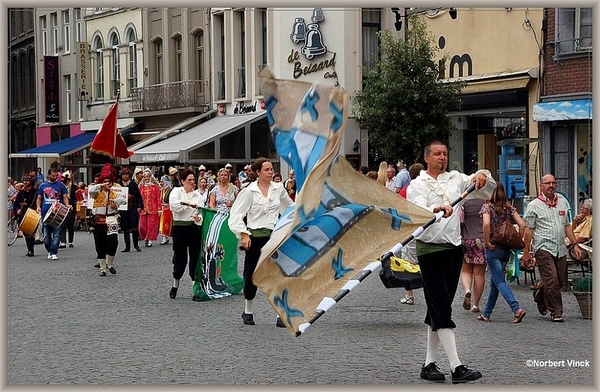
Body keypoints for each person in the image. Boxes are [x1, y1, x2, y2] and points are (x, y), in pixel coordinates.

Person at [407, 140, 495, 383]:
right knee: (442, 308)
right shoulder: (417, 185)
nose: (442, 158)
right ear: (427, 157)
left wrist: (481, 176)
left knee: (436, 307)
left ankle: (429, 364)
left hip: (453, 251)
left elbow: (487, 188)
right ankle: (457, 367)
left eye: (445, 153)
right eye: (437, 154)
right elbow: (417, 213)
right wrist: (436, 209)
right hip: (429, 251)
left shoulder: (456, 179)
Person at [228, 158, 294, 327]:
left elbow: (290, 207)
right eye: (266, 169)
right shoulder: (249, 192)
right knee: (252, 275)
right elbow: (235, 215)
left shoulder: (278, 189)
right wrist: (243, 234)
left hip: (274, 238)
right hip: (254, 238)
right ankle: (248, 310)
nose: (270, 172)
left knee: (277, 274)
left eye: (271, 169)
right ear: (257, 172)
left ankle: (280, 314)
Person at [522, 174, 581, 323]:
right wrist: (526, 252)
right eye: (547, 183)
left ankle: (540, 296)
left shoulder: (562, 203)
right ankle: (556, 312)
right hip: (543, 247)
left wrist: (575, 244)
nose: (551, 186)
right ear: (541, 186)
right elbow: (528, 231)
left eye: (553, 183)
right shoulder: (534, 205)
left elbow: (567, 226)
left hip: (560, 247)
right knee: (552, 280)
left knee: (560, 281)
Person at [478, 182, 526, 323]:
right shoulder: (508, 208)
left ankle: (516, 308)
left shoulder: (487, 207)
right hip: (505, 248)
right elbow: (522, 225)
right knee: (495, 283)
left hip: (493, 248)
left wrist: (487, 242)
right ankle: (486, 313)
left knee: (499, 281)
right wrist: (517, 240)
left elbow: (486, 224)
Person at [168, 169, 203, 299]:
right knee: (180, 259)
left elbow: (200, 210)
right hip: (179, 228)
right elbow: (174, 206)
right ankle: (175, 284)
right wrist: (188, 205)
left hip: (193, 228)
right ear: (182, 181)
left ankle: (195, 290)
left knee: (195, 258)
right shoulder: (176, 191)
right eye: (189, 180)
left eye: (194, 180)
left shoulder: (198, 195)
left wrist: (199, 217)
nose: (192, 182)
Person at [88, 164, 126, 276]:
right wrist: (100, 185)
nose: (107, 184)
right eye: (105, 181)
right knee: (100, 244)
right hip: (99, 219)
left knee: (113, 242)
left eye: (108, 182)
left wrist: (114, 202)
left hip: (111, 218)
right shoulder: (96, 190)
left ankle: (110, 263)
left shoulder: (114, 191)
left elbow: (123, 200)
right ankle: (103, 268)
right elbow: (91, 190)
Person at [398, 162, 424, 305]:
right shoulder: (428, 189)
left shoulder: (404, 191)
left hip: (410, 229)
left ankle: (409, 294)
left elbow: (400, 212)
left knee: (409, 262)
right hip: (427, 229)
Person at [36, 167, 70, 260]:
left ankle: (53, 252)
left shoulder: (61, 185)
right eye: (53, 175)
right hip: (45, 213)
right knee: (46, 236)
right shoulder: (42, 186)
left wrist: (67, 205)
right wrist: (38, 207)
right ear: (48, 175)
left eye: (56, 176)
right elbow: (39, 198)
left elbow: (65, 197)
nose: (55, 177)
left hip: (57, 213)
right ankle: (49, 249)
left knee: (57, 234)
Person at [459, 198, 487, 313]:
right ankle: (475, 305)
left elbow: (460, 221)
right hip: (481, 239)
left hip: (466, 238)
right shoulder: (485, 201)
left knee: (466, 270)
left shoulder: (464, 201)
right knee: (479, 274)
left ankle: (467, 290)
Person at [117, 167, 143, 252]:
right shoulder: (118, 185)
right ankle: (127, 246)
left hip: (133, 208)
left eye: (126, 174)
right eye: (123, 174)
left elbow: (139, 196)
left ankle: (136, 245)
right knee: (125, 228)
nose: (125, 176)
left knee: (134, 227)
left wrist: (139, 206)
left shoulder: (133, 184)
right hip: (123, 208)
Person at [13, 174, 38, 257]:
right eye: (24, 181)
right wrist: (17, 210)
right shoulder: (21, 192)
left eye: (27, 181)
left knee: (31, 232)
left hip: (32, 214)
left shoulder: (35, 192)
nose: (25, 182)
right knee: (26, 233)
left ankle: (31, 250)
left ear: (31, 182)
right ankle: (29, 249)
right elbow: (16, 204)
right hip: (22, 214)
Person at [138, 169, 161, 247]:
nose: (146, 178)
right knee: (142, 226)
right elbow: (138, 198)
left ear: (150, 177)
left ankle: (150, 239)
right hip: (143, 209)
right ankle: (145, 237)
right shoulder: (141, 187)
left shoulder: (155, 188)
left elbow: (158, 198)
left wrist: (159, 209)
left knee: (151, 225)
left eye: (147, 176)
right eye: (145, 177)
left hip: (153, 209)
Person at [59, 171, 77, 248]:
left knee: (70, 225)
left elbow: (77, 199)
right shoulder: (60, 187)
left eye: (65, 179)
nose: (63, 180)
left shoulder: (75, 187)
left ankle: (70, 241)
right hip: (62, 207)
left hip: (71, 207)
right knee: (63, 224)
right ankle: (63, 241)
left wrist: (69, 201)